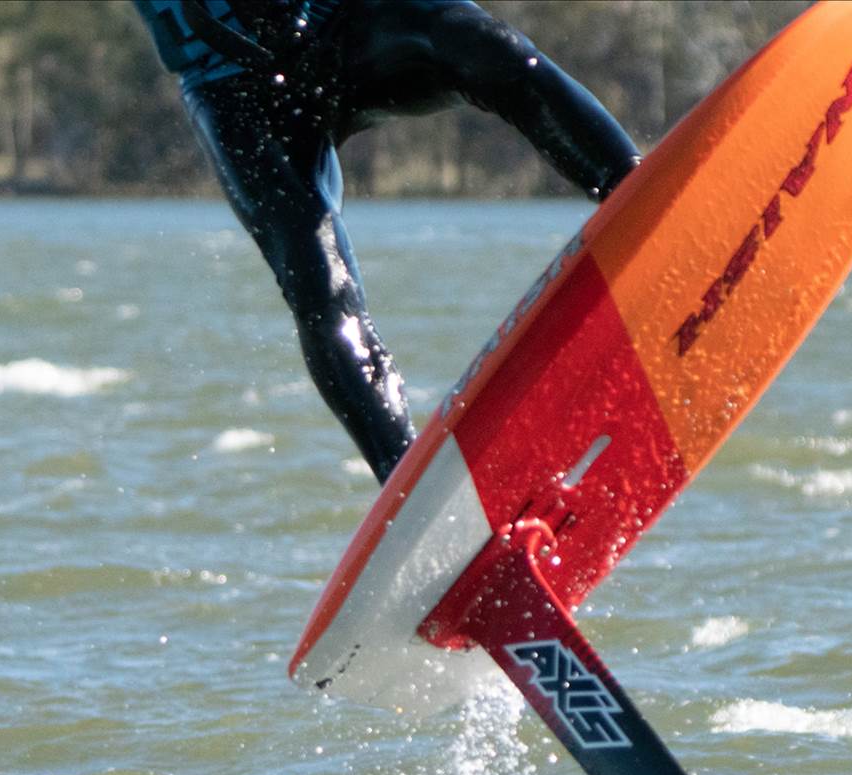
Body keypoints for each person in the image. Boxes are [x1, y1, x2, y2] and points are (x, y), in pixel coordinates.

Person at [135, 0, 640, 483]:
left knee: (490, 48)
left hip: (352, 20)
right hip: (232, 86)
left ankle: (641, 198)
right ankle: (409, 491)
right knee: (316, 277)